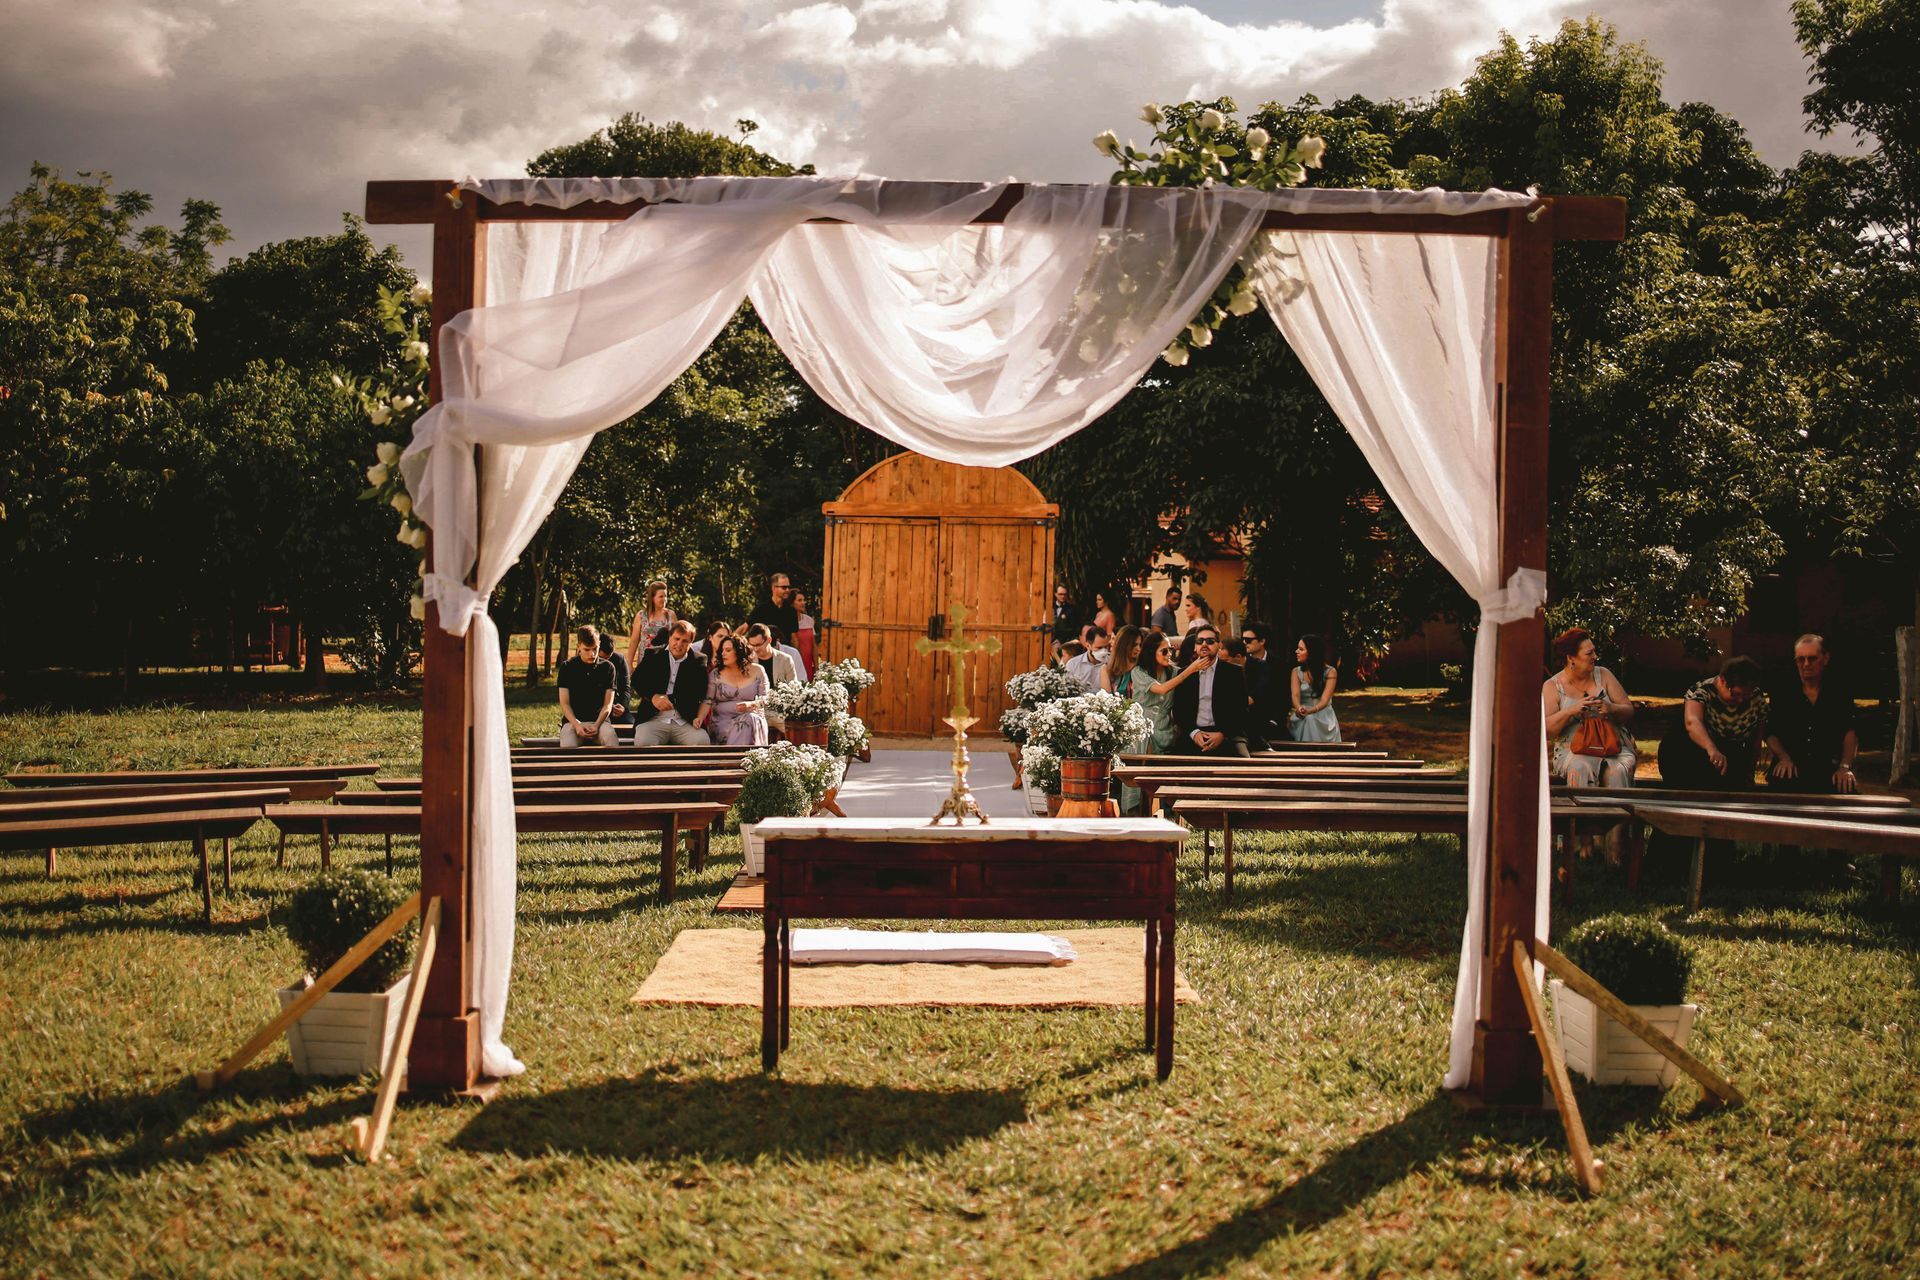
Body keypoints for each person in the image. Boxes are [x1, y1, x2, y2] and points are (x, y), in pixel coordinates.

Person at [1542, 628, 1636, 788]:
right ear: (1571, 658)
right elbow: (1547, 728)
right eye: (1589, 653)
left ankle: (1617, 812)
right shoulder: (1552, 686)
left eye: (1594, 652)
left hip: (1614, 748)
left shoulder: (1604, 675)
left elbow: (1628, 710)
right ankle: (1583, 813)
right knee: (1580, 768)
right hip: (1573, 751)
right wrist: (1571, 711)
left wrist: (1611, 709)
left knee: (1617, 772)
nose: (1595, 657)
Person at [1766, 634, 1860, 794]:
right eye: (1800, 659)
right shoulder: (1782, 690)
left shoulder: (1839, 691)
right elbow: (1770, 732)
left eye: (1812, 658)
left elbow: (1849, 731)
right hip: (1790, 767)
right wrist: (1783, 757)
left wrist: (1845, 766)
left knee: (1846, 790)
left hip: (1828, 767)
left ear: (1825, 658)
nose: (1806, 664)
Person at [1659, 656, 1769, 790]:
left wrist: (1749, 770)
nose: (1740, 700)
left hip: (1730, 754)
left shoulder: (1755, 698)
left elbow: (1756, 738)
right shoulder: (1702, 691)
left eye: (1745, 696)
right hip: (1691, 753)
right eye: (1736, 694)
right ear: (1723, 681)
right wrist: (1711, 748)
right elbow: (1693, 722)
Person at [1171, 624, 1250, 756]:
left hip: (1227, 734)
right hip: (1193, 734)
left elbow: (1241, 709)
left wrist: (1222, 733)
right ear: (1195, 647)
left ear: (1219, 645)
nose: (1204, 644)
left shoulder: (1234, 672)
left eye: (1210, 641)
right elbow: (1179, 709)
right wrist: (1194, 733)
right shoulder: (1185, 673)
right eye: (1200, 641)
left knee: (1244, 767)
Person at [630, 620, 710, 746]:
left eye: (685, 641)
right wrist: (653, 697)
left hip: (683, 721)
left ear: (691, 643)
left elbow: (700, 691)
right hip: (653, 719)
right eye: (676, 639)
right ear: (670, 638)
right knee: (643, 742)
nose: (679, 644)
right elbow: (636, 681)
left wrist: (671, 699)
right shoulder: (653, 654)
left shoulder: (698, 660)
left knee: (702, 741)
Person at [699, 634, 769, 746]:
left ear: (739, 651)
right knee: (746, 721)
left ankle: (737, 758)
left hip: (752, 719)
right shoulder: (716, 674)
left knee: (749, 718)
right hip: (723, 723)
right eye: (722, 650)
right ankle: (741, 759)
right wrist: (699, 718)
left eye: (728, 650)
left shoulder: (758, 671)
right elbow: (708, 700)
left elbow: (767, 698)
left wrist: (751, 704)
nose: (723, 653)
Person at [557, 626, 619, 747]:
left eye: (595, 649)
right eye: (587, 649)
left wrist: (596, 725)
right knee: (568, 745)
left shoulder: (608, 668)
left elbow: (608, 704)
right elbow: (565, 703)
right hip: (573, 722)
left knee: (610, 738)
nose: (592, 654)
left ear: (599, 644)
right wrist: (577, 725)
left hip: (600, 722)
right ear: (578, 646)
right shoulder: (567, 667)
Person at [1288, 634, 1342, 743]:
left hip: (1323, 715)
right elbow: (1295, 694)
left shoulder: (1330, 672)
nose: (1296, 651)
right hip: (1302, 714)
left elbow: (1325, 700)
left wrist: (1311, 711)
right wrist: (1299, 708)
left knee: (1310, 719)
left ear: (1312, 652)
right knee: (1307, 719)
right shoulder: (1296, 672)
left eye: (1301, 649)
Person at [1240, 621, 1280, 746]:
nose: (1244, 643)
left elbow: (1283, 695)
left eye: (1248, 640)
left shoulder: (1278, 665)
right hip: (1248, 722)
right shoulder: (1241, 662)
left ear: (1262, 641)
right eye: (1242, 639)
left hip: (1272, 723)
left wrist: (1275, 720)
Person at [624, 580, 676, 668]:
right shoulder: (641, 615)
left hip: (665, 662)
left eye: (666, 596)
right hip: (644, 661)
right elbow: (634, 641)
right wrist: (629, 663)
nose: (664, 599)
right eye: (661, 596)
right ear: (652, 598)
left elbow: (676, 638)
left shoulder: (671, 615)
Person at [747, 571, 800, 644]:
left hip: (784, 653)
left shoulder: (791, 611)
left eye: (789, 587)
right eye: (784, 587)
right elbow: (744, 627)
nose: (787, 590)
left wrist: (796, 654)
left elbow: (794, 639)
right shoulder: (761, 609)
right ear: (774, 588)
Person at [598, 628, 633, 728]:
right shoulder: (590, 661)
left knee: (632, 726)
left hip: (617, 707)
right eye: (603, 658)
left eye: (609, 657)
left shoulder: (619, 659)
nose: (607, 661)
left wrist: (622, 706)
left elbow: (626, 687)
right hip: (596, 710)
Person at [1065, 625, 1110, 691]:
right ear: (1088, 645)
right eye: (1099, 648)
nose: (1103, 651)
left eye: (1106, 647)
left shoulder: (1111, 663)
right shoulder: (1073, 664)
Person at [790, 589, 818, 677]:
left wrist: (817, 667)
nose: (803, 603)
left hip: (808, 664)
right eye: (799, 600)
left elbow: (813, 645)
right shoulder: (787, 621)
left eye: (803, 600)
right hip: (794, 664)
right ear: (792, 603)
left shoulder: (809, 620)